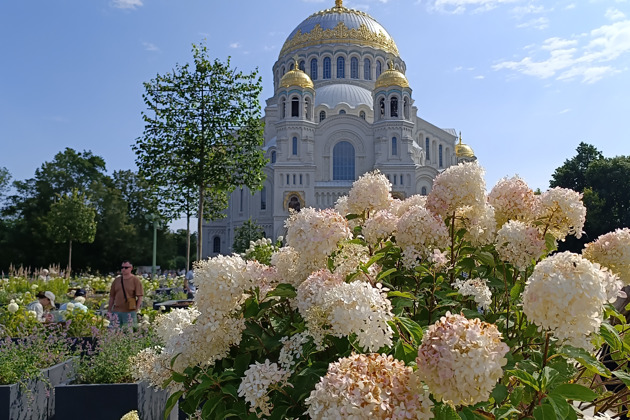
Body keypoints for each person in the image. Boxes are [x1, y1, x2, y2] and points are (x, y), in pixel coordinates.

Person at [108, 260, 143, 327]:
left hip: (129, 312)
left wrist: (136, 310)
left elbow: (140, 297)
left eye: (126, 267)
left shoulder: (135, 280)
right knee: (114, 333)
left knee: (129, 333)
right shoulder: (117, 280)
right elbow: (112, 296)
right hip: (116, 311)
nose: (123, 269)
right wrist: (109, 310)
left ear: (131, 268)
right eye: (122, 267)